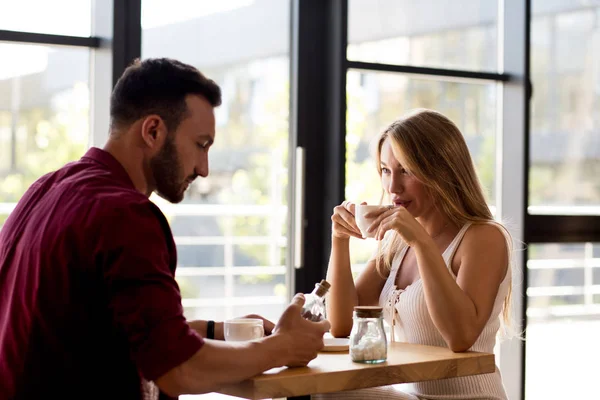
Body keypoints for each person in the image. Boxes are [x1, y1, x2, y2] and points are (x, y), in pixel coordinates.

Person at [0, 58, 330, 400]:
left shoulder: (44, 189)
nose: (203, 169)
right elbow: (179, 371)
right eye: (201, 145)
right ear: (153, 131)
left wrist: (219, 331)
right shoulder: (127, 215)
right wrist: (282, 347)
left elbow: (113, 329)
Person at [319, 109, 513, 399]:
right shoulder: (397, 242)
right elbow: (342, 323)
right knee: (324, 392)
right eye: (386, 170)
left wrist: (422, 243)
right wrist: (339, 240)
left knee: (328, 395)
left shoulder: (483, 237)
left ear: (442, 171)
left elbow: (461, 337)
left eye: (406, 170)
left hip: (469, 396)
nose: (392, 187)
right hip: (411, 394)